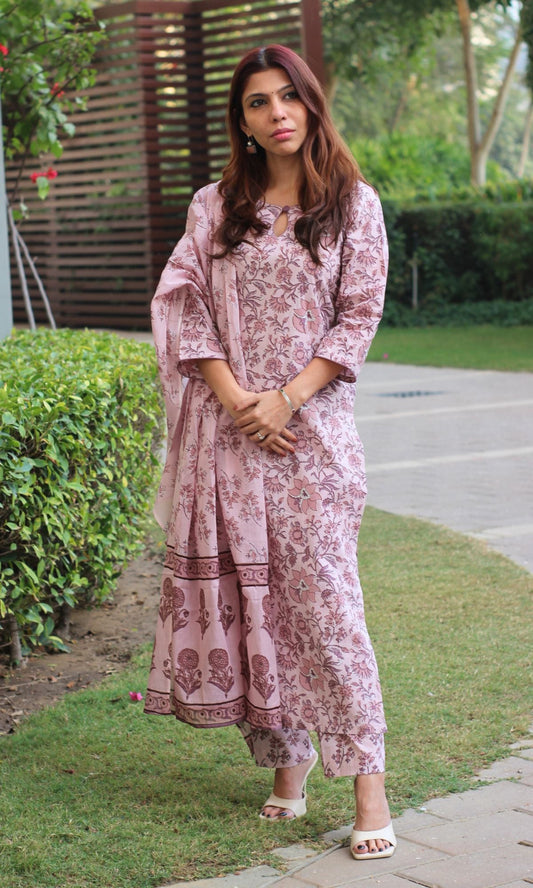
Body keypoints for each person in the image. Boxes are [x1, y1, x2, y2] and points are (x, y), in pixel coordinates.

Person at [144, 44, 395, 860]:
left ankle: (368, 787)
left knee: (326, 607)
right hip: (230, 439)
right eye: (258, 102)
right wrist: (235, 401)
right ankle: (288, 765)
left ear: (311, 103)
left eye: (289, 96)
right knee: (253, 606)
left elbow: (357, 317)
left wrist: (284, 398)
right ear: (242, 122)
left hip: (312, 440)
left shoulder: (352, 204)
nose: (276, 112)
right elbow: (185, 308)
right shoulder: (213, 206)